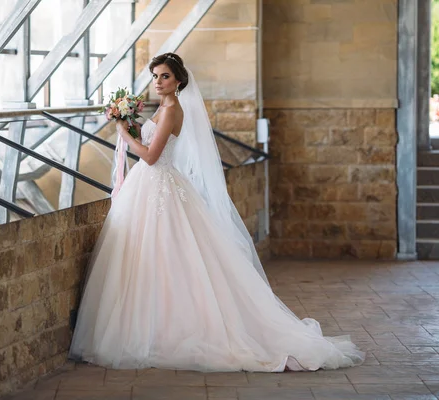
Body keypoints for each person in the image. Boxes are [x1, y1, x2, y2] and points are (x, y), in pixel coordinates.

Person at [68, 53, 364, 372]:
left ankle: (168, 331)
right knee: (153, 259)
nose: (158, 81)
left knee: (170, 258)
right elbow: (152, 146)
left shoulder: (172, 110)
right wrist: (132, 127)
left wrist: (125, 135)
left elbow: (151, 158)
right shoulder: (164, 109)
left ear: (179, 81)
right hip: (152, 187)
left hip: (159, 184)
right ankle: (154, 327)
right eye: (155, 76)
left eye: (164, 76)